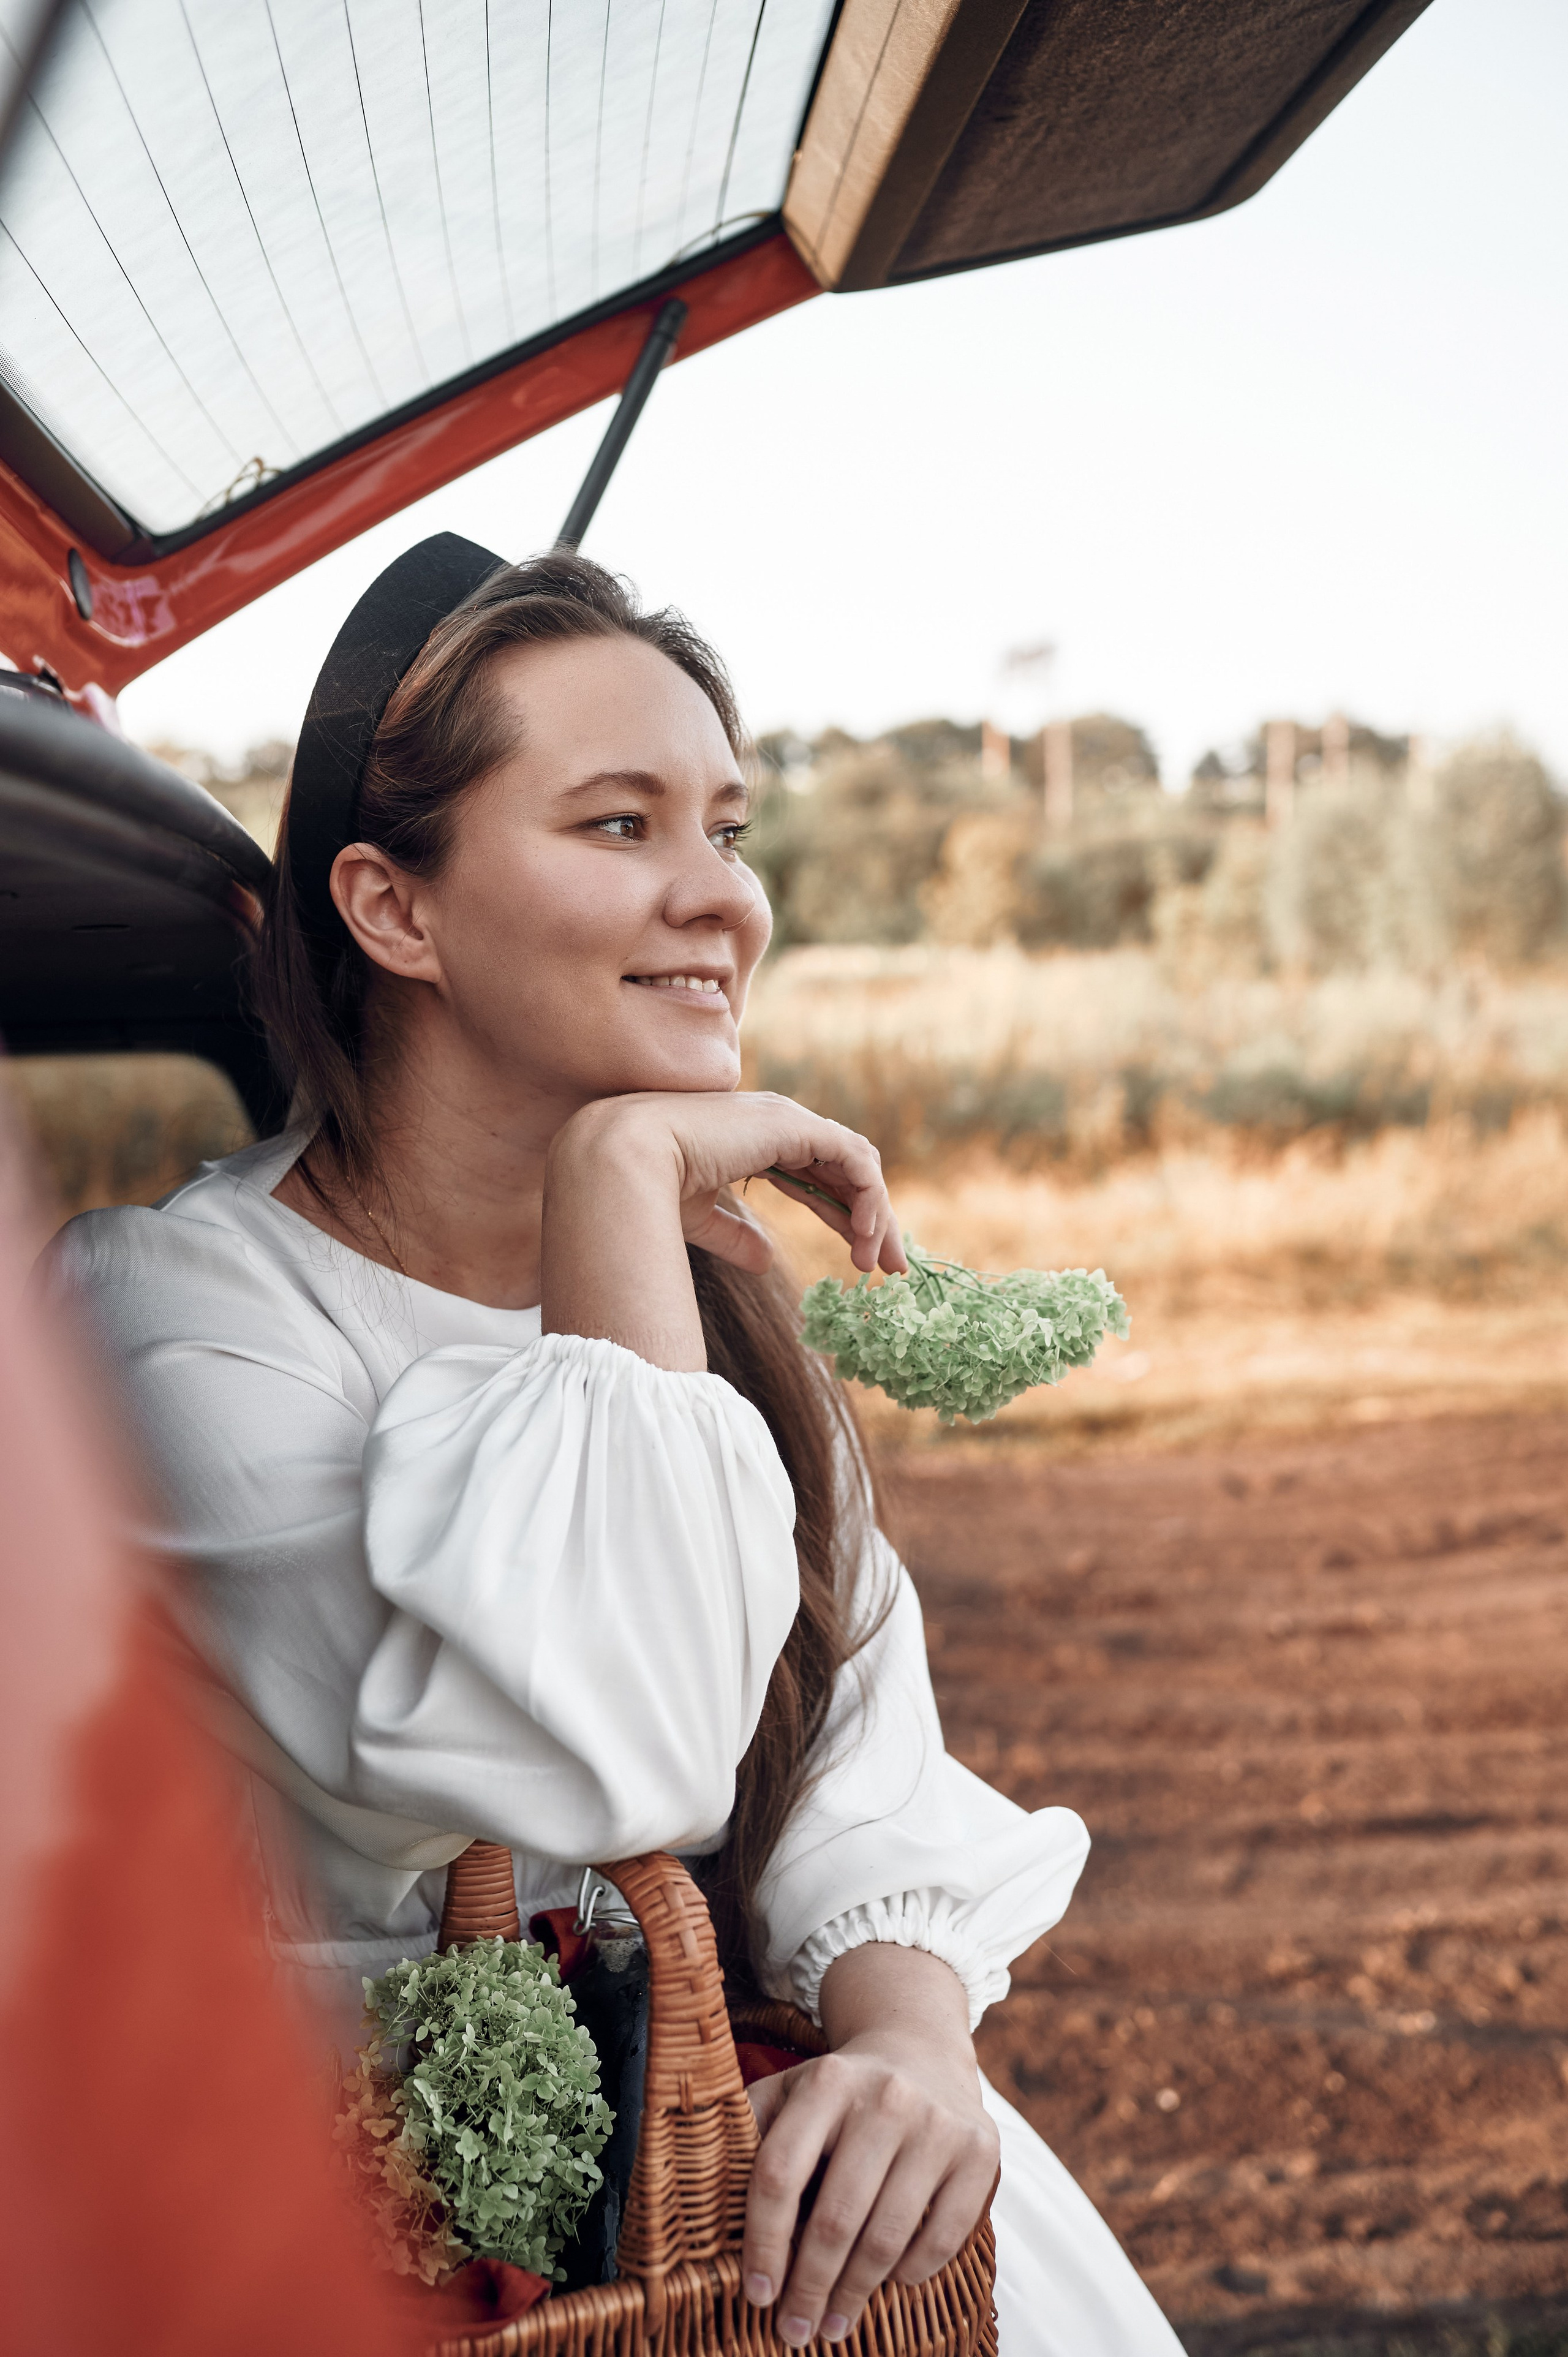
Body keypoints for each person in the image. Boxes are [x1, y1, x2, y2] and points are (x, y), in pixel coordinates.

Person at [50, 542, 1183, 2356]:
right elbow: (623, 1752)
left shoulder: (725, 1318)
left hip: (735, 2183)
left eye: (727, 830)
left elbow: (853, 1780)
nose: (720, 899)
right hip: (375, 2250)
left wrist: (908, 2047)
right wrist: (622, 1171)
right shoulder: (170, 1321)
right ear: (393, 910)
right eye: (620, 826)